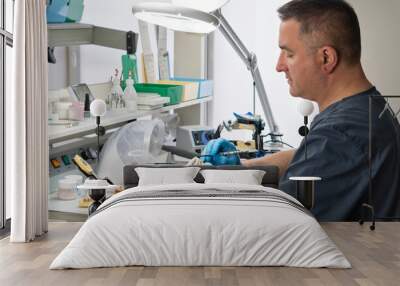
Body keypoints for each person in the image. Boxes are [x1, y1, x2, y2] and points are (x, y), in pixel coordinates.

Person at [242, 0, 400, 221]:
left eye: (288, 54)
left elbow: (275, 225)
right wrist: (247, 165)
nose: (279, 66)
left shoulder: (340, 134)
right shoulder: (364, 108)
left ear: (326, 58)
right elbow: (312, 153)